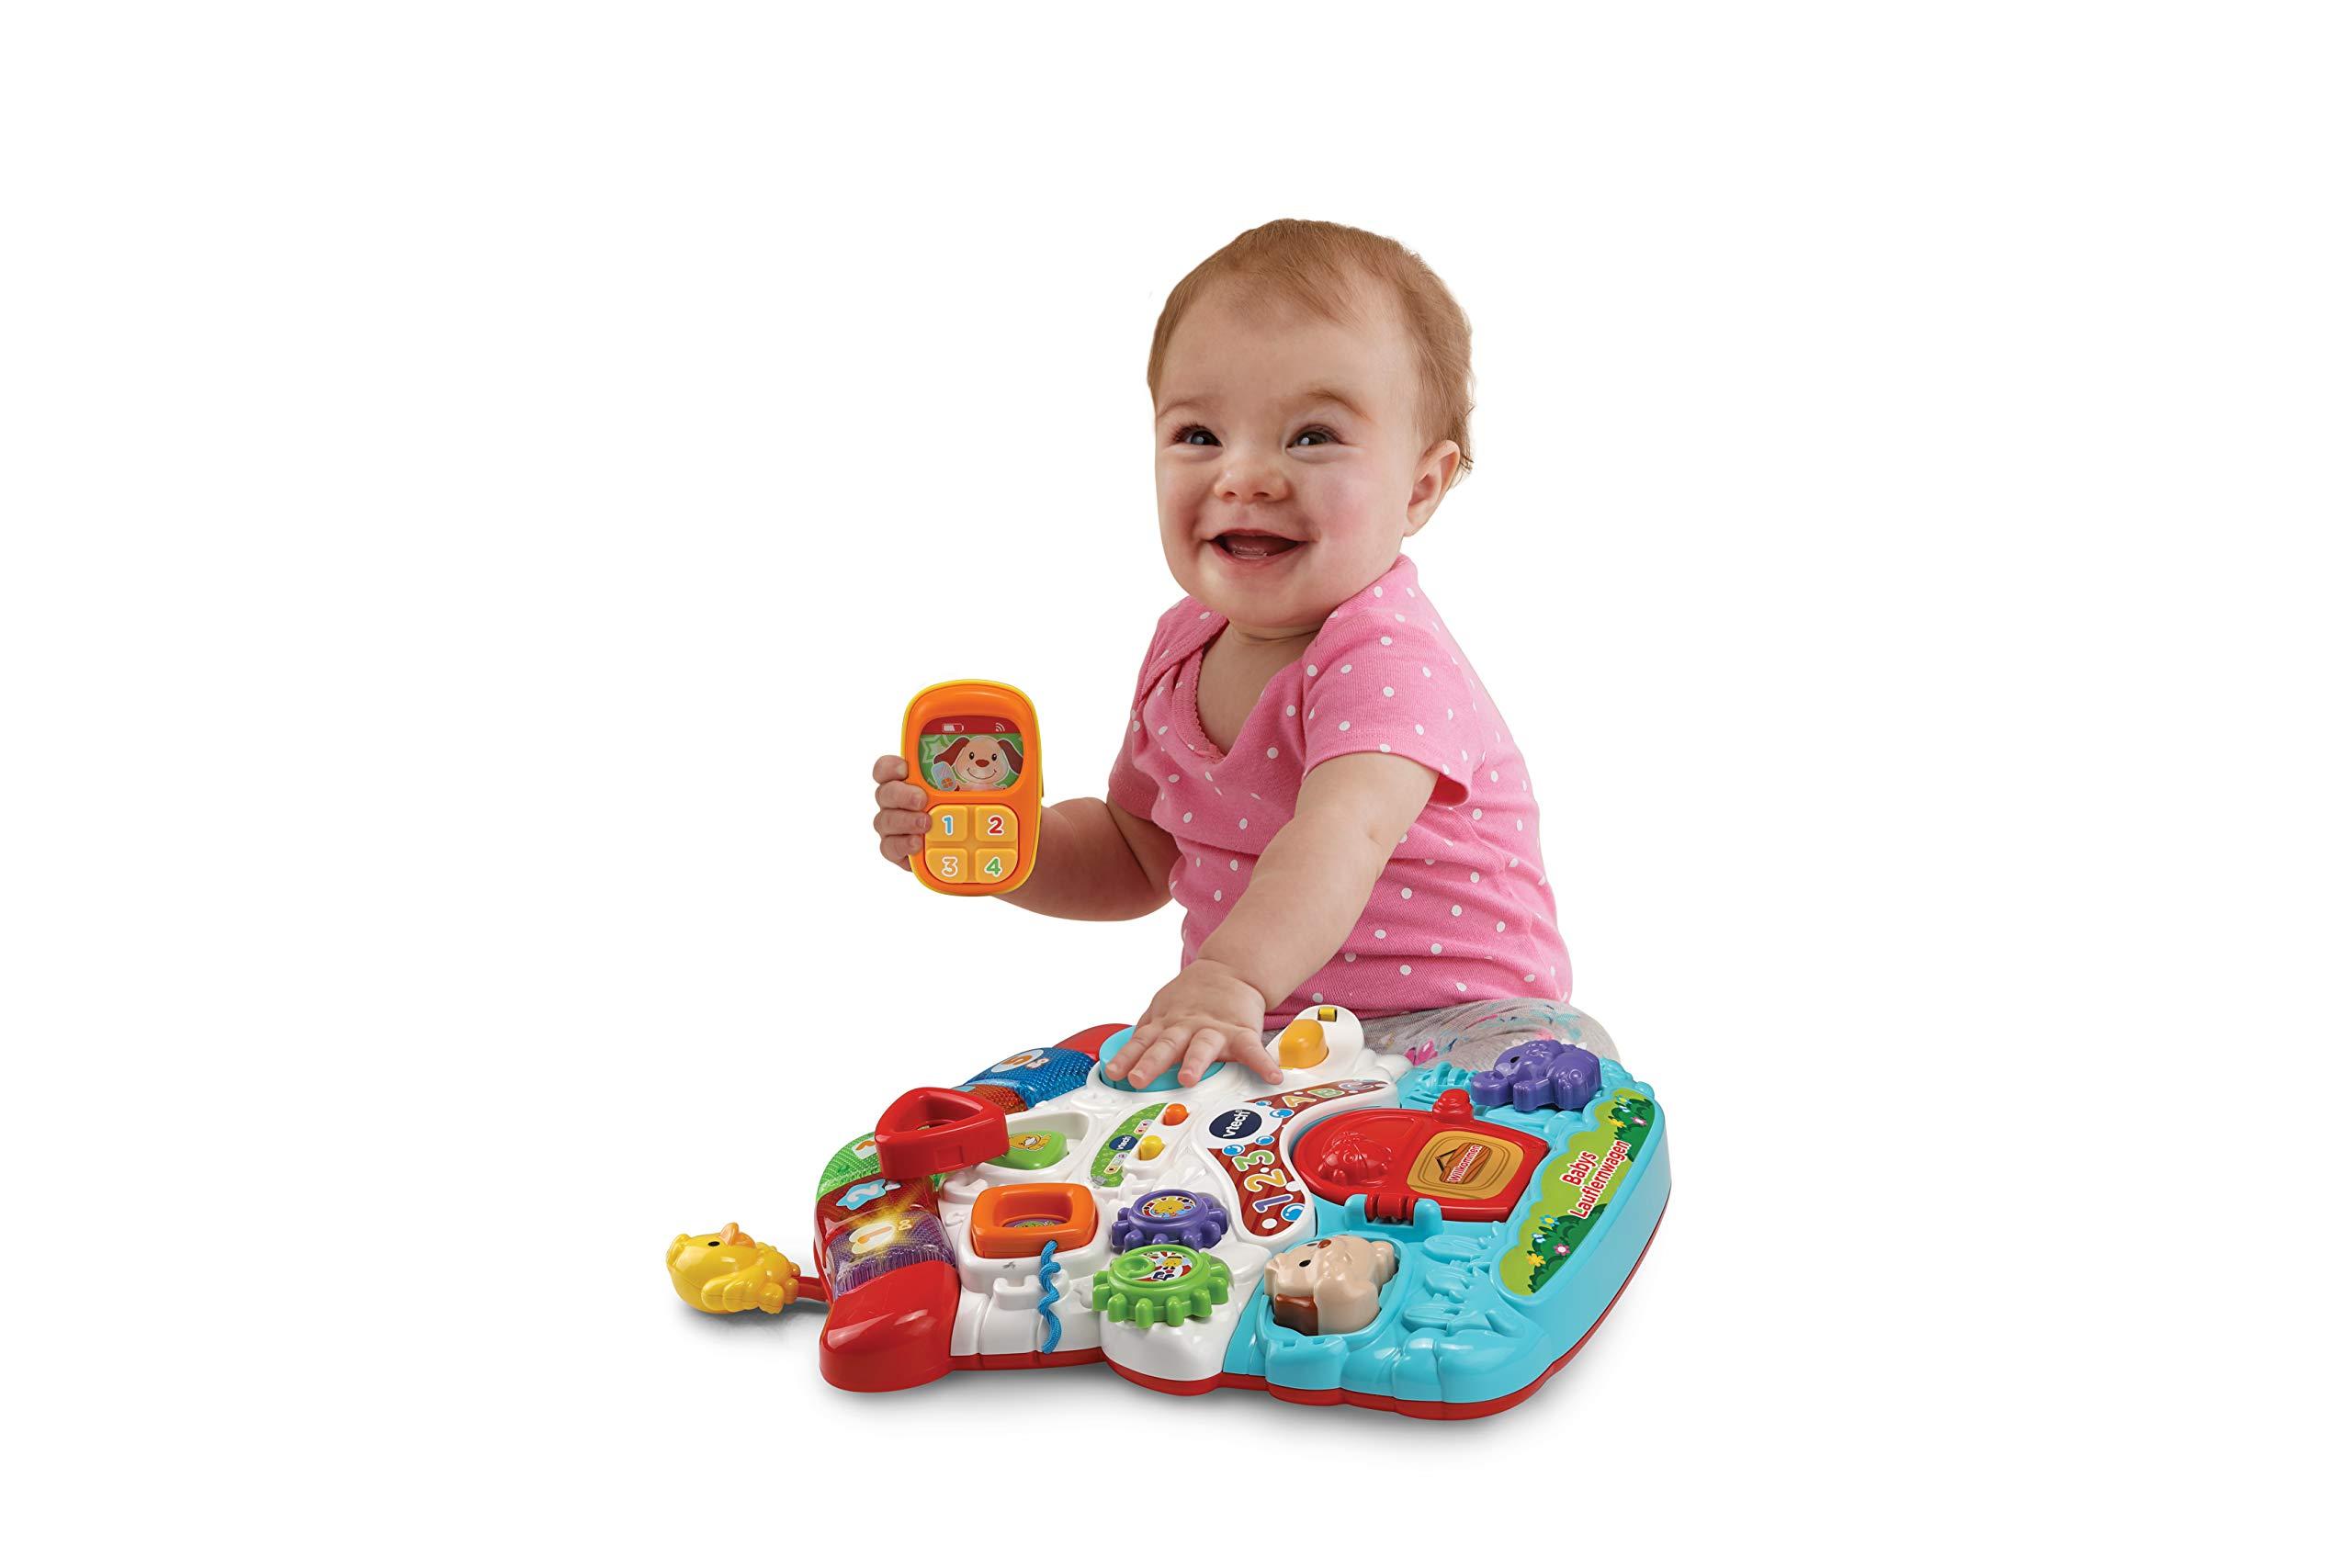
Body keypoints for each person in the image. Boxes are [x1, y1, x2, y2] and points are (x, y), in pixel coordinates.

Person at [870, 219, 1611, 1088]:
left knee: (1540, 1081)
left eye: (1312, 436)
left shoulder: (1387, 653)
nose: (1246, 475)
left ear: (1420, 487)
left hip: (1460, 1024)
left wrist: (1227, 974)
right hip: (1267, 1031)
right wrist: (1010, 845)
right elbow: (1134, 854)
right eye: (1199, 435)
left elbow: (1343, 832)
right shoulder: (1180, 646)